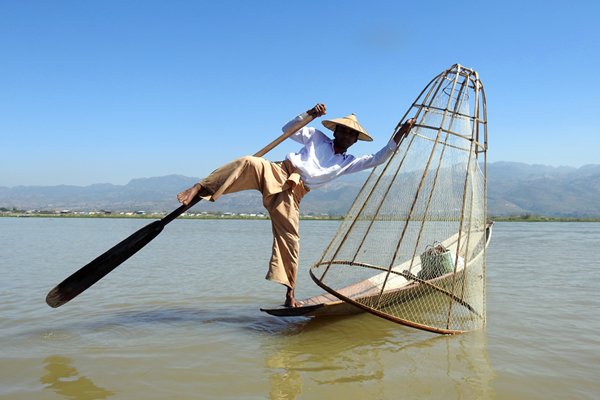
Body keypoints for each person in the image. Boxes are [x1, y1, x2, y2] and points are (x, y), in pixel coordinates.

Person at [177, 104, 415, 307]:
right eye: (343, 130)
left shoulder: (348, 162)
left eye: (351, 134)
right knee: (247, 161)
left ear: (354, 140)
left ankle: (289, 292)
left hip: (293, 193)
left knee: (291, 240)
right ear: (336, 131)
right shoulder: (316, 137)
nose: (345, 136)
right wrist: (309, 113)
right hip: (278, 170)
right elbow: (287, 130)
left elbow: (379, 158)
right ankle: (199, 187)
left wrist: (400, 135)